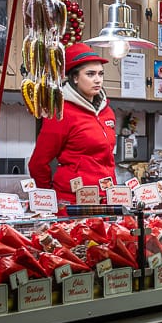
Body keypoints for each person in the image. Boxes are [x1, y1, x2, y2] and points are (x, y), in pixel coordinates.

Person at [28, 43, 118, 208]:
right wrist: (49, 199)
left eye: (100, 74)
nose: (98, 79)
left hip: (106, 198)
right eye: (90, 74)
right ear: (75, 78)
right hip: (73, 202)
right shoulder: (61, 113)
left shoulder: (108, 112)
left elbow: (107, 159)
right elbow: (37, 163)